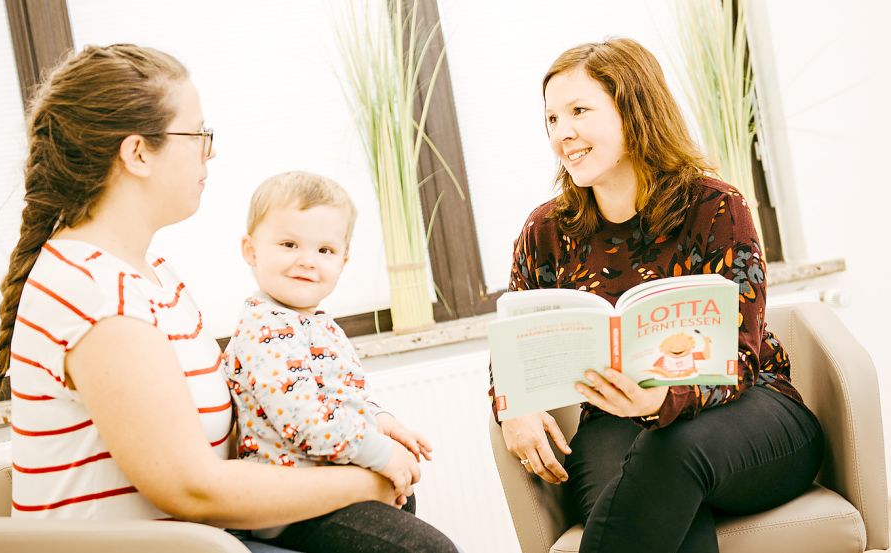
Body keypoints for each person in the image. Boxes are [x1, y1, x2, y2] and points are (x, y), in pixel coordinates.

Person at [0, 44, 408, 553]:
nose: (210, 151)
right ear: (137, 153)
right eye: (199, 134)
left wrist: (368, 433)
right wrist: (369, 479)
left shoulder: (151, 275)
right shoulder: (94, 292)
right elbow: (193, 490)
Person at [495, 38, 823, 553]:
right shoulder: (546, 230)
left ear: (634, 109)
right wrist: (510, 406)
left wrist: (663, 398)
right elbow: (511, 338)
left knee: (670, 450)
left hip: (749, 413)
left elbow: (742, 356)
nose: (563, 133)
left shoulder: (715, 206)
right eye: (552, 119)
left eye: (579, 110)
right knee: (649, 485)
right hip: (613, 425)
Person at [223, 171, 458, 553]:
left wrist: (381, 420)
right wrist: (381, 454)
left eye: (324, 251)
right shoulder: (264, 330)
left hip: (329, 489)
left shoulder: (314, 322)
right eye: (288, 244)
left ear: (343, 260)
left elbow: (335, 392)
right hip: (294, 508)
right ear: (251, 251)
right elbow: (306, 420)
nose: (307, 262)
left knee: (406, 502)